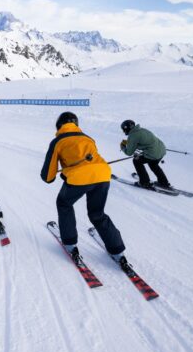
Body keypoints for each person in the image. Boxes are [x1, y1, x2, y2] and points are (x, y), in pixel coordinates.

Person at [40, 112, 129, 270]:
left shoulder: (58, 141)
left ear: (59, 125)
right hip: (102, 175)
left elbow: (48, 177)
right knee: (97, 213)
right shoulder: (88, 138)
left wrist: (62, 173)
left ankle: (70, 243)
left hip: (80, 178)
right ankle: (117, 251)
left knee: (64, 203)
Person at [120, 119, 172, 190]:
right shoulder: (141, 130)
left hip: (153, 153)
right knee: (153, 164)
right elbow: (143, 141)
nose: (123, 131)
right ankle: (163, 182)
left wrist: (123, 147)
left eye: (124, 130)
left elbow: (129, 152)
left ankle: (144, 182)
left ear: (127, 128)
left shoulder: (133, 136)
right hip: (161, 149)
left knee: (136, 161)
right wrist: (130, 142)